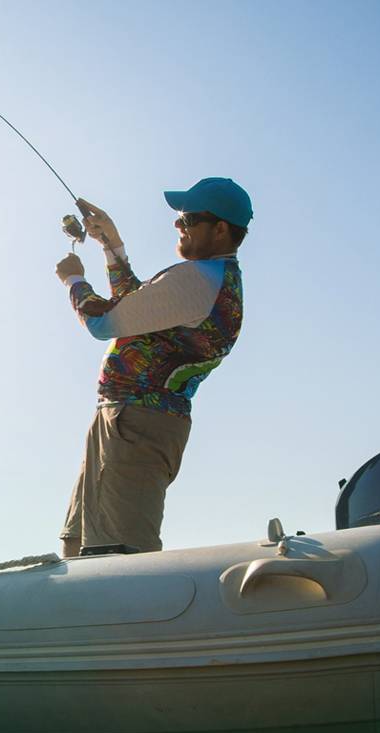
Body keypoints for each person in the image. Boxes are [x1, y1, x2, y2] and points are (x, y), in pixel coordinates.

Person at [53, 177, 250, 557]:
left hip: (136, 426)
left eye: (188, 218)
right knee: (78, 547)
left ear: (221, 229)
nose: (178, 224)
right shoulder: (209, 279)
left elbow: (105, 322)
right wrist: (111, 244)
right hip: (125, 421)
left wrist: (73, 279)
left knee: (116, 556)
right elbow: (135, 308)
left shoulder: (197, 280)